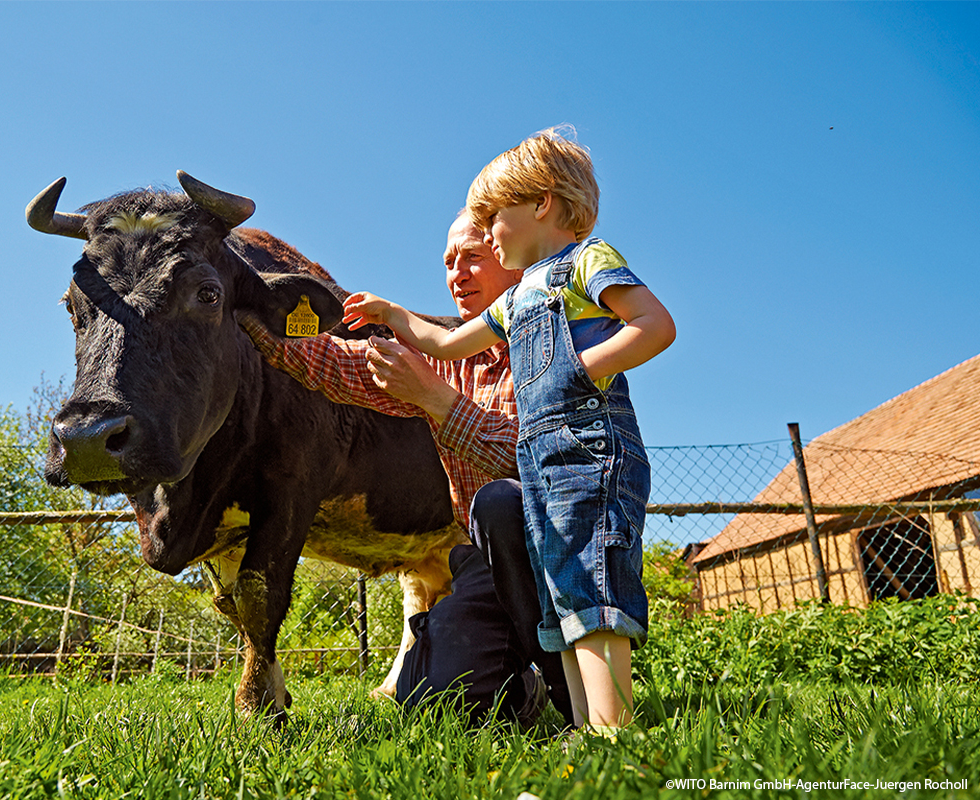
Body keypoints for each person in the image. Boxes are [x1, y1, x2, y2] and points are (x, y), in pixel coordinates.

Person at [342, 127, 676, 733]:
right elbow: (446, 341)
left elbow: (654, 325)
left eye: (494, 217)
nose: (490, 234)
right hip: (542, 465)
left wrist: (572, 371)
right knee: (557, 598)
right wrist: (391, 314)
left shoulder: (588, 262)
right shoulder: (518, 298)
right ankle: (580, 722)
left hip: (589, 453)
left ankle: (613, 729)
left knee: (588, 588)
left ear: (543, 203)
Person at [237, 213, 572, 724]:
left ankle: (575, 693)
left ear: (509, 258)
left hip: (566, 549)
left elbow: (541, 463)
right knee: (431, 697)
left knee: (502, 503)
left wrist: (437, 401)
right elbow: (335, 364)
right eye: (448, 262)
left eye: (473, 258)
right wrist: (247, 308)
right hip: (487, 560)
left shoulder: (558, 340)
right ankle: (520, 681)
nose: (457, 273)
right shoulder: (449, 356)